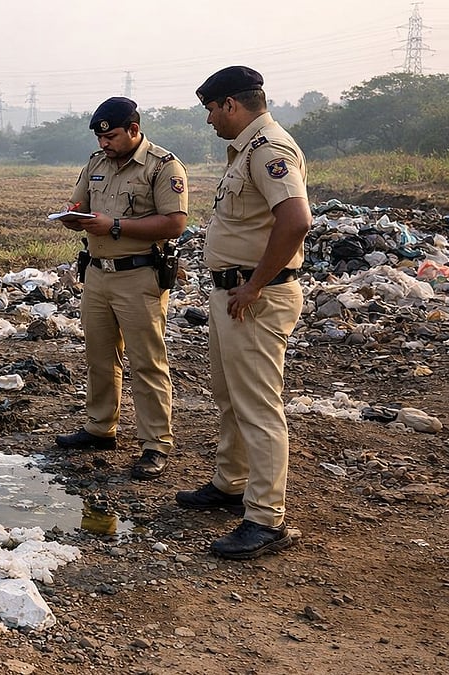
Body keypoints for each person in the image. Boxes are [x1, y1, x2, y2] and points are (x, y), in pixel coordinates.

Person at [175, 66, 311, 560]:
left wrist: (254, 285)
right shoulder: (248, 150)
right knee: (228, 394)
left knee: (258, 406)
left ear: (231, 104)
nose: (210, 119)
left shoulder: (269, 149)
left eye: (211, 109)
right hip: (232, 294)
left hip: (256, 296)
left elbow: (296, 220)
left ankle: (265, 519)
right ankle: (230, 484)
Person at [53, 96, 188, 480]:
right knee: (99, 355)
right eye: (100, 138)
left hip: (139, 275)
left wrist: (114, 226)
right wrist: (73, 217)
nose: (104, 144)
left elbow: (174, 223)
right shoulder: (95, 164)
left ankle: (156, 443)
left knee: (146, 362)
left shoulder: (162, 166)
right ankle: (100, 427)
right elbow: (79, 203)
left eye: (111, 137)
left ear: (133, 130)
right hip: (97, 273)